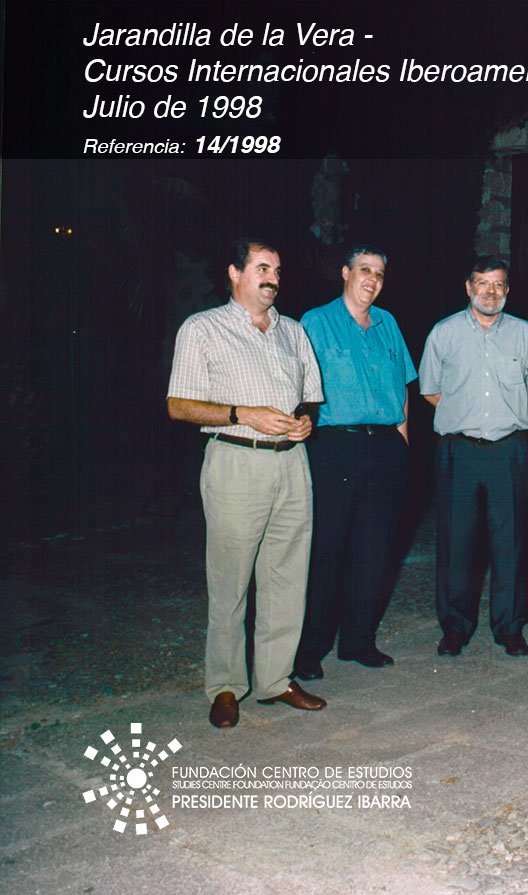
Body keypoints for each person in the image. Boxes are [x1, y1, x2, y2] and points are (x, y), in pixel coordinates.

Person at [166, 237, 327, 728]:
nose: (272, 278)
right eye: (262, 268)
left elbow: (310, 397)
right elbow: (179, 405)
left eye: (276, 270)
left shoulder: (293, 331)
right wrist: (242, 414)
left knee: (287, 577)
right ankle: (226, 685)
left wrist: (306, 420)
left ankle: (276, 679)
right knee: (230, 581)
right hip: (236, 461)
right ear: (234, 273)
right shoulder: (202, 329)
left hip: (291, 464)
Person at [292, 245, 417, 681]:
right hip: (336, 445)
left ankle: (358, 640)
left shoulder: (388, 323)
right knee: (326, 549)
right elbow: (300, 387)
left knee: (374, 549)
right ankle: (309, 648)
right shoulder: (316, 322)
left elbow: (403, 387)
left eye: (379, 273)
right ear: (345, 273)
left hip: (385, 446)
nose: (372, 280)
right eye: (364, 270)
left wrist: (403, 444)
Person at [419, 257, 528, 658]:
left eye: (498, 285)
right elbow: (430, 390)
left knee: (511, 543)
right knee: (457, 543)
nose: (491, 292)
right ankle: (455, 627)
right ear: (469, 287)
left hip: (509, 451)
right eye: (483, 284)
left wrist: (503, 417)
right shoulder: (444, 333)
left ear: (507, 290)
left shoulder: (525, 334)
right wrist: (466, 415)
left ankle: (510, 626)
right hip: (459, 452)